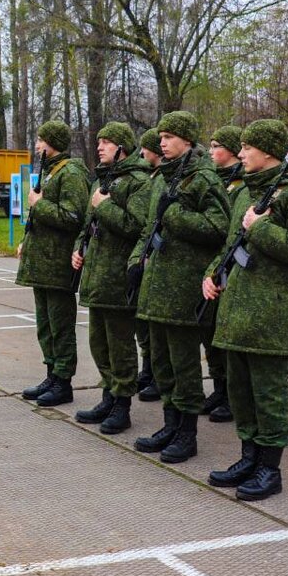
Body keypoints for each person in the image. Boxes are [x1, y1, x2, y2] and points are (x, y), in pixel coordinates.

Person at [204, 120, 288, 500]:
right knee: (241, 392)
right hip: (238, 311)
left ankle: (270, 469)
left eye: (247, 147)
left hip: (274, 316)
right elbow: (229, 244)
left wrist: (261, 229)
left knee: (269, 395)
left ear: (269, 152)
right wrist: (213, 273)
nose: (240, 154)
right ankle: (249, 456)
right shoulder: (245, 194)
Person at [130, 111, 229, 463]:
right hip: (158, 286)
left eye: (169, 137)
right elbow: (150, 227)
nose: (162, 142)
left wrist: (176, 217)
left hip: (184, 289)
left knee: (185, 366)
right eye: (161, 137)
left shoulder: (204, 178)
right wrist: (136, 260)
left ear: (187, 140)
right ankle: (170, 425)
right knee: (162, 363)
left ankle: (187, 434)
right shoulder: (163, 178)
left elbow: (220, 227)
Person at [72, 123, 151, 434]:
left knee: (120, 345)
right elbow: (88, 222)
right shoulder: (102, 179)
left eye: (107, 143)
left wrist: (105, 207)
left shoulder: (138, 182)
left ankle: (122, 404)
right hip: (97, 275)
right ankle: (108, 394)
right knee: (99, 342)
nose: (100, 147)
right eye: (99, 142)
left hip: (118, 276)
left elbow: (135, 224)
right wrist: (79, 247)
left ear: (122, 148)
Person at [17, 120, 91, 407]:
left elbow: (74, 216)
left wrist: (39, 204)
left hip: (58, 263)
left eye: (41, 140)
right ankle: (51, 374)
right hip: (42, 262)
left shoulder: (70, 172)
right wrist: (27, 240)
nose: (37, 145)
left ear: (53, 142)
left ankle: (63, 381)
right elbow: (42, 216)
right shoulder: (49, 171)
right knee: (45, 324)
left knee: (60, 324)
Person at [200, 125, 245, 422]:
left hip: (228, 263)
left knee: (222, 333)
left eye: (216, 145)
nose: (210, 150)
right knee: (209, 333)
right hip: (210, 264)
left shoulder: (241, 185)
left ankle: (230, 393)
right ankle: (219, 386)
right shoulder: (215, 180)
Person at [135, 128, 163, 403]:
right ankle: (148, 370)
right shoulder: (152, 177)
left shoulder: (161, 179)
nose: (142, 153)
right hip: (146, 256)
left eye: (147, 148)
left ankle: (155, 374)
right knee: (144, 326)